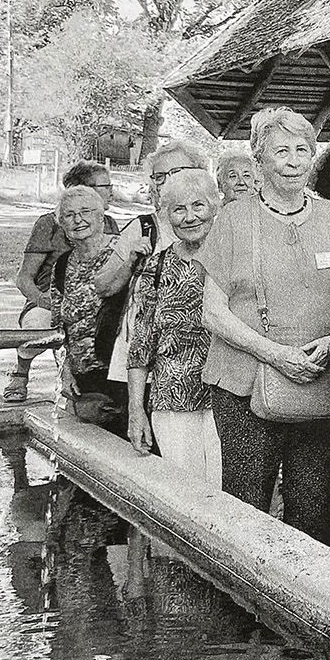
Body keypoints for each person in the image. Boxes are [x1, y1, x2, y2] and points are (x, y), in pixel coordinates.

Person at [199, 107, 330, 545]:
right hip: (243, 384)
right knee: (247, 505)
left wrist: (329, 344)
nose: (293, 160)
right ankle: (240, 605)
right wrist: (277, 355)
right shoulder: (234, 219)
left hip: (318, 379)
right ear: (258, 158)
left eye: (302, 150)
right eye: (281, 150)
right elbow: (213, 312)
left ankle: (299, 608)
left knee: (315, 509)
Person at [125, 169, 223, 486]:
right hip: (173, 406)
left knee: (233, 501)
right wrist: (135, 410)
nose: (189, 217)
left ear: (215, 206)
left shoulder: (236, 258)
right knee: (186, 500)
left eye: (198, 206)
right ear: (167, 215)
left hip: (229, 401)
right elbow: (140, 346)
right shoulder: (156, 266)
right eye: (178, 209)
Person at [101, 141, 211, 389]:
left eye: (178, 171)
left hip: (204, 356)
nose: (169, 181)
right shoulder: (143, 227)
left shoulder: (219, 224)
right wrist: (131, 262)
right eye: (160, 176)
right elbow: (103, 286)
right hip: (146, 359)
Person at [6, 160, 119, 403]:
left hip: (94, 301)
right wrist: (42, 299)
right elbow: (23, 278)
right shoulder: (49, 223)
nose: (111, 191)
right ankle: (20, 373)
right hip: (48, 300)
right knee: (42, 325)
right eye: (105, 185)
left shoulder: (108, 222)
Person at [50, 185, 131, 434]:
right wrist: (64, 370)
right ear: (61, 224)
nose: (78, 220)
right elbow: (57, 326)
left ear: (101, 216)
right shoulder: (63, 264)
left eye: (86, 211)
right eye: (69, 215)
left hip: (122, 375)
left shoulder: (123, 252)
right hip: (83, 379)